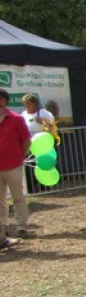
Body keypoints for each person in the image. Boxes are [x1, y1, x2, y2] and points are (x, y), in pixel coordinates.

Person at [0, 89, 30, 250]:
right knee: (0, 201)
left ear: (3, 101)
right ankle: (2, 230)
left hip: (13, 165)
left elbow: (26, 141)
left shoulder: (16, 119)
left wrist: (19, 157)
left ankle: (21, 226)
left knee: (18, 197)